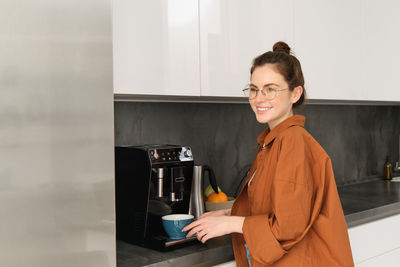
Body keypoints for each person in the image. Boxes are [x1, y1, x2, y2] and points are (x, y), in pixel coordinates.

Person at [183, 41, 354, 266]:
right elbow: (272, 208)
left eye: (271, 89)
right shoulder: (273, 142)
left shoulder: (292, 142)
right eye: (254, 89)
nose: (259, 98)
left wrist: (231, 224)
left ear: (295, 94)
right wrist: (227, 215)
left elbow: (287, 226)